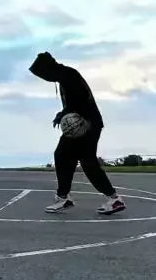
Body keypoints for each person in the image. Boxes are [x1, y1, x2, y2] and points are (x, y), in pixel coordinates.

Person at [28, 52, 125, 215]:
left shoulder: (68, 77)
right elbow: (74, 103)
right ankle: (65, 197)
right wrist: (62, 114)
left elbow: (79, 101)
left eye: (43, 74)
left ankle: (111, 198)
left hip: (85, 125)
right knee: (68, 157)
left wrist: (65, 114)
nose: (44, 78)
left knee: (83, 160)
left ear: (48, 69)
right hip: (83, 125)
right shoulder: (64, 77)